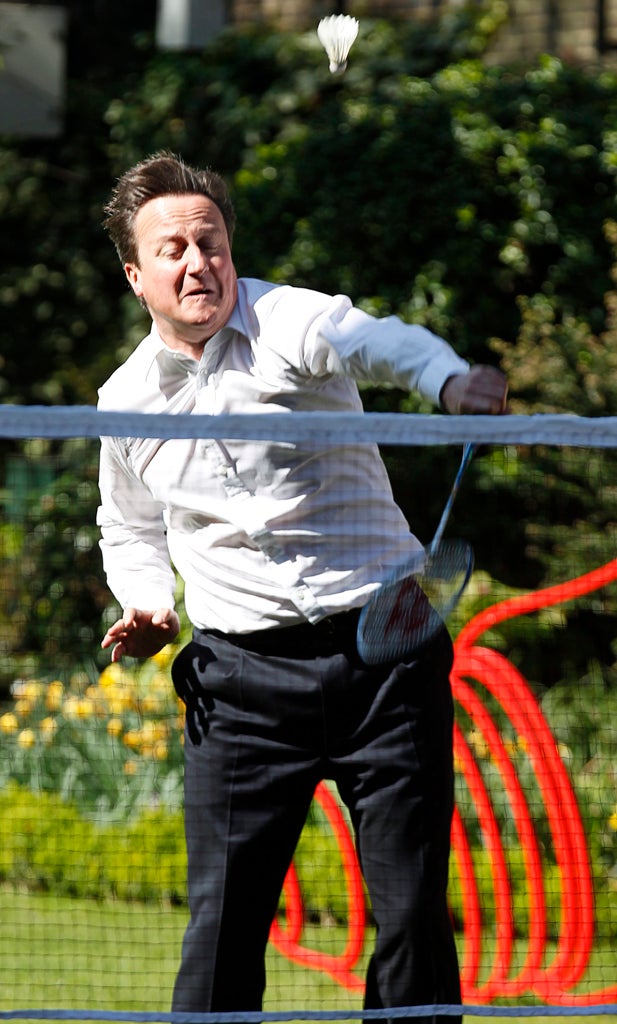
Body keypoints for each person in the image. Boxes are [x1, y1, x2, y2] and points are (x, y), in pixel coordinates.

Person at [97, 151, 508, 1020]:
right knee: (220, 929)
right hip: (240, 689)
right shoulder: (123, 397)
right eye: (170, 249)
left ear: (229, 248)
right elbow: (129, 525)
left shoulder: (292, 320)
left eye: (208, 241)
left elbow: (378, 341)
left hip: (384, 657)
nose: (195, 261)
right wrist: (147, 599)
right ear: (136, 275)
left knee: (408, 921)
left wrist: (447, 380)